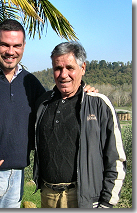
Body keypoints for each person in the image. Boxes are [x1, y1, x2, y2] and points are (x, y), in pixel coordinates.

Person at [0, 19, 97, 208]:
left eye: (17, 45)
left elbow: (57, 103)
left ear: (24, 46)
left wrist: (85, 92)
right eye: (5, 45)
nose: (11, 51)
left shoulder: (30, 83)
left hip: (17, 178)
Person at [33, 41, 126, 208]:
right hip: (47, 196)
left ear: (82, 68)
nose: (63, 74)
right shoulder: (43, 103)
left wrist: (106, 203)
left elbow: (115, 158)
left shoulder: (99, 105)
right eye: (57, 68)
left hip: (83, 199)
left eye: (70, 68)